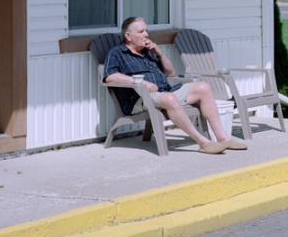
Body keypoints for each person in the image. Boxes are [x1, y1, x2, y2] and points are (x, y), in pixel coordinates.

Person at [104, 16, 247, 154]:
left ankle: (223, 138)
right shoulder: (117, 53)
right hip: (140, 100)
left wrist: (159, 53)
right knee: (169, 98)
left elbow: (170, 72)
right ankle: (204, 143)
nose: (146, 34)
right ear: (128, 36)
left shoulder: (148, 52)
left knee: (203, 87)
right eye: (141, 31)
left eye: (146, 30)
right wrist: (141, 83)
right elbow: (110, 77)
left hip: (165, 93)